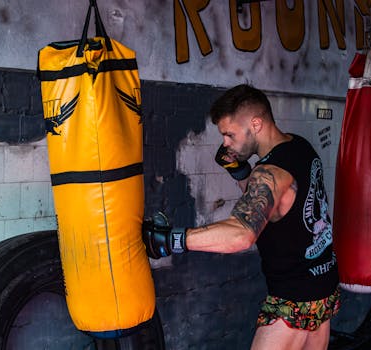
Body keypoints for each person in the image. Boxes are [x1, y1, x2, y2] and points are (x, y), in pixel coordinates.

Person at [143, 84, 340, 350]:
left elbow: (242, 233)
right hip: (322, 288)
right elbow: (275, 204)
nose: (225, 142)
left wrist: (171, 239)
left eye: (229, 134)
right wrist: (239, 172)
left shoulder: (269, 171)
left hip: (292, 301)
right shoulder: (298, 147)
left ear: (255, 124)